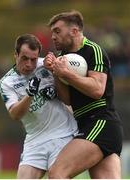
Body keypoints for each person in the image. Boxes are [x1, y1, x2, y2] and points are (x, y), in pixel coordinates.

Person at [44, 10, 123, 179]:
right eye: (52, 33)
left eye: (57, 31)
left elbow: (97, 90)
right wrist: (55, 73)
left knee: (57, 173)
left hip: (101, 122)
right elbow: (67, 99)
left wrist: (66, 74)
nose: (53, 37)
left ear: (74, 31)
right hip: (85, 123)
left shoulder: (93, 50)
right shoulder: (62, 57)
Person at [0, 34, 78, 179]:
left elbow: (68, 98)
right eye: (24, 58)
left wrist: (54, 80)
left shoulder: (46, 65)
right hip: (35, 139)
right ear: (15, 55)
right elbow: (15, 114)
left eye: (33, 59)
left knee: (57, 176)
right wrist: (30, 94)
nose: (29, 64)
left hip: (63, 133)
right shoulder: (7, 82)